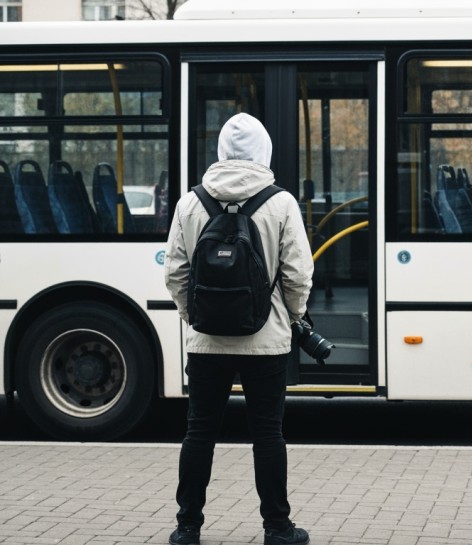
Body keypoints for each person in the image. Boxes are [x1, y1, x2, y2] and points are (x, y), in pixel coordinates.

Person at [163, 113, 313, 545]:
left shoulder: (190, 203)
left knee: (199, 432)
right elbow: (298, 273)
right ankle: (277, 528)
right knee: (268, 434)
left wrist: (194, 316)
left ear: (222, 152)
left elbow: (175, 273)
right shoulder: (280, 203)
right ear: (264, 150)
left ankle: (187, 527)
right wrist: (293, 316)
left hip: (205, 342)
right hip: (266, 341)